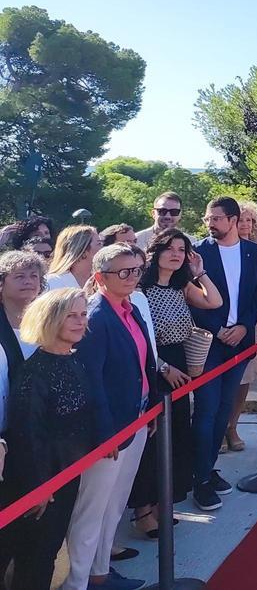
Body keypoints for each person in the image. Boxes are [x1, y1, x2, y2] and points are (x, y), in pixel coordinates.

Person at [66, 243, 159, 590]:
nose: (132, 277)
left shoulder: (130, 308)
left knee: (114, 505)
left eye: (137, 270)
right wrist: (106, 434)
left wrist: (148, 410)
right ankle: (77, 582)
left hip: (134, 420)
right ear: (99, 276)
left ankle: (101, 573)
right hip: (108, 432)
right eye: (124, 272)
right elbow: (91, 381)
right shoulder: (96, 317)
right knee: (91, 511)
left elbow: (142, 365)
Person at [127, 230, 222, 538]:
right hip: (153, 368)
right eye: (170, 248)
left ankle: (160, 502)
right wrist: (162, 367)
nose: (176, 253)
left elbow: (214, 302)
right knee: (152, 440)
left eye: (182, 249)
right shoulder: (139, 288)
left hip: (180, 362)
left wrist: (200, 272)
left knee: (175, 434)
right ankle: (141, 511)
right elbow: (138, 336)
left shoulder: (182, 287)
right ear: (156, 251)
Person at [4, 288, 96, 590]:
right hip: (41, 484)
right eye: (71, 315)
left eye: (83, 314)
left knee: (48, 552)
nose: (80, 321)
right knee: (35, 557)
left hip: (66, 477)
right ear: (50, 319)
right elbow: (27, 434)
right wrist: (39, 486)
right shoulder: (34, 373)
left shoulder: (74, 359)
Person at [190, 198, 257, 511]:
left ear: (233, 220)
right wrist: (219, 327)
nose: (210, 223)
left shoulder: (254, 252)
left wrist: (244, 325)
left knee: (224, 408)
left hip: (241, 341)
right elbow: (193, 297)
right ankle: (199, 479)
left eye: (216, 218)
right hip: (210, 342)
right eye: (208, 218)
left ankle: (208, 469)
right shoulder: (199, 253)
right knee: (206, 408)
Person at [0, 249, 43, 576]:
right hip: (4, 442)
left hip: (39, 440)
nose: (29, 282)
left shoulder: (45, 322)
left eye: (34, 276)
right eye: (20, 276)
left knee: (34, 536)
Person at [225, 201, 257, 453]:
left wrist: (246, 320)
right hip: (223, 322)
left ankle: (233, 426)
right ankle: (219, 428)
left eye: (249, 220)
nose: (245, 224)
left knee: (245, 378)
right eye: (240, 219)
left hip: (251, 319)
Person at [45, 225, 102, 290]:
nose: (103, 248)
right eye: (99, 244)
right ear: (83, 251)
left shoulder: (103, 280)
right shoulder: (53, 282)